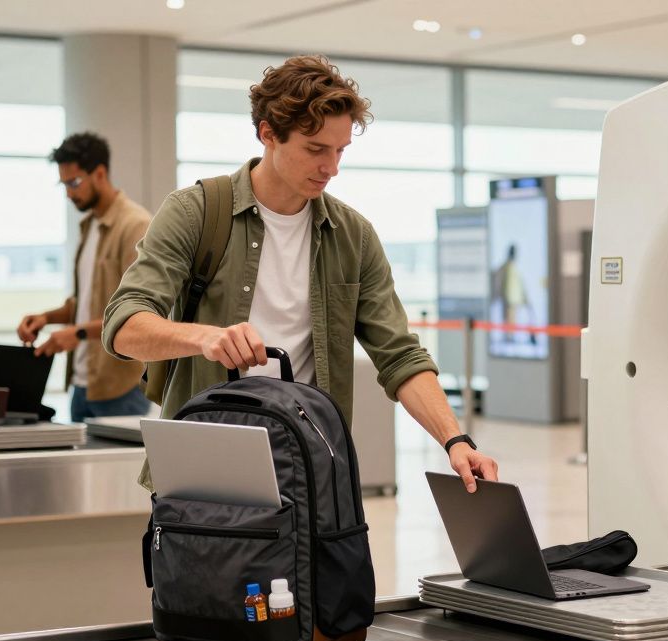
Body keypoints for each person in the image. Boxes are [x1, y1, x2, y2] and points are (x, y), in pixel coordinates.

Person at [104, 55, 498, 492]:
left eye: (340, 150)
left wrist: (455, 439)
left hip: (311, 466)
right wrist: (205, 337)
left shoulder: (353, 236)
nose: (332, 167)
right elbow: (123, 324)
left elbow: (399, 355)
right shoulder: (195, 212)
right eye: (316, 149)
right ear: (268, 133)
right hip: (203, 467)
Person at [17, 133, 153, 422]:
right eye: (63, 184)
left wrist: (76, 333)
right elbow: (86, 303)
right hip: (82, 384)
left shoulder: (135, 225)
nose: (68, 192)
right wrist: (46, 318)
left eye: (74, 182)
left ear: (100, 173)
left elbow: (138, 313)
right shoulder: (88, 226)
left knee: (122, 470)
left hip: (120, 387)